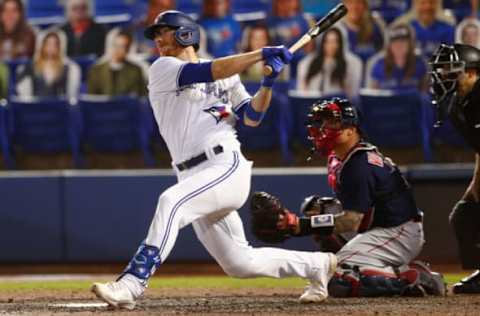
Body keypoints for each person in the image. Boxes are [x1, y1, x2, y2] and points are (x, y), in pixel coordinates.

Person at [90, 10, 337, 309]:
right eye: (155, 34)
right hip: (192, 174)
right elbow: (210, 71)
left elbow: (252, 116)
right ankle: (316, 266)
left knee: (172, 202)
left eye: (163, 32)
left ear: (185, 34)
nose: (157, 39)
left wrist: (268, 83)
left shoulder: (228, 75)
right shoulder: (163, 68)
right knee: (239, 262)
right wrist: (261, 54)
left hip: (224, 165)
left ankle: (131, 284)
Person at [250, 97, 446, 297]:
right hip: (380, 224)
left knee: (338, 275)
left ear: (351, 129)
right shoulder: (340, 156)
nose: (324, 127)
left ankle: (411, 276)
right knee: (316, 207)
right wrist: (302, 223)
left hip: (398, 231)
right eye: (322, 121)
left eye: (332, 122)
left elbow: (351, 221)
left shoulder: (358, 165)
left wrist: (300, 226)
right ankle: (365, 262)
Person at [429, 43, 480, 294]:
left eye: (451, 71)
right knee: (465, 215)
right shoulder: (460, 104)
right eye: (442, 71)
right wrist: (475, 187)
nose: (444, 77)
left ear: (472, 73)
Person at [296, 27, 362, 99]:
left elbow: (351, 94)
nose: (331, 46)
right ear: (322, 44)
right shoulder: (309, 63)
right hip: (312, 103)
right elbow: (303, 89)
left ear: (340, 44)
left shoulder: (347, 65)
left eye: (335, 41)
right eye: (327, 42)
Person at [16, 30, 81, 99]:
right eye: (48, 44)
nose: (51, 48)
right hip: (37, 106)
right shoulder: (30, 66)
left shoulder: (69, 68)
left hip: (59, 106)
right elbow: (22, 90)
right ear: (42, 45)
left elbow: (71, 93)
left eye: (55, 45)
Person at [366, 24, 428, 92]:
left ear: (410, 44)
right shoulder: (377, 64)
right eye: (394, 41)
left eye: (403, 41)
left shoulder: (420, 63)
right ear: (388, 45)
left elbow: (424, 95)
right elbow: (372, 96)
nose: (398, 45)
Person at [87, 29, 147, 97]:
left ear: (128, 49)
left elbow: (140, 97)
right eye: (115, 45)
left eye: (122, 46)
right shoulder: (96, 70)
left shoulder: (136, 70)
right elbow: (92, 99)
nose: (117, 50)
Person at [338, 0, 385, 64]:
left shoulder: (377, 24)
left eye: (359, 2)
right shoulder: (337, 29)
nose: (354, 7)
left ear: (365, 5)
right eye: (350, 2)